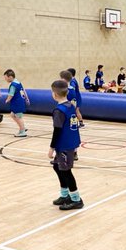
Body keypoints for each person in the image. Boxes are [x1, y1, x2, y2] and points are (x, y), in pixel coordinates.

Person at [48, 77, 83, 211]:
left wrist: (51, 148)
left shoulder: (59, 110)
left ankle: (76, 199)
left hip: (64, 145)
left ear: (55, 95)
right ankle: (65, 195)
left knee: (66, 171)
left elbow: (57, 130)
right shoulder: (71, 106)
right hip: (70, 142)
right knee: (57, 167)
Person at [3, 69, 30, 136]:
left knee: (18, 117)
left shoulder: (13, 85)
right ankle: (22, 127)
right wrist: (26, 98)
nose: (5, 79)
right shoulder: (18, 82)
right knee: (12, 115)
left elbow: (11, 94)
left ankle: (22, 131)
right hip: (19, 102)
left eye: (6, 78)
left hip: (17, 103)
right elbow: (23, 91)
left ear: (10, 77)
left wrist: (7, 100)